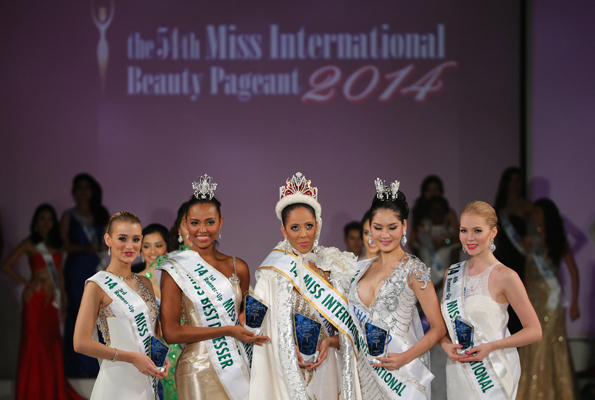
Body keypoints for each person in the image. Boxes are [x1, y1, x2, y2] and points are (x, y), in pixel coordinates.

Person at [250, 172, 360, 400]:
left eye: (309, 226)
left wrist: (330, 342)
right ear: (283, 230)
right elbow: (262, 332)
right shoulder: (273, 273)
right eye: (294, 228)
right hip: (287, 367)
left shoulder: (334, 266)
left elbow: (351, 328)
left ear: (317, 226)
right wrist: (288, 350)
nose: (303, 235)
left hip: (328, 366)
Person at [160, 175, 267, 400]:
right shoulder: (175, 269)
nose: (202, 229)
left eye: (210, 222)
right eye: (195, 222)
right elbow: (171, 332)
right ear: (185, 223)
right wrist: (227, 330)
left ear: (220, 222)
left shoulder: (238, 267)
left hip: (237, 366)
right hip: (196, 370)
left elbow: (243, 319)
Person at [347, 178, 446, 399]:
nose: (385, 235)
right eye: (378, 228)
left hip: (401, 374)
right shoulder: (360, 269)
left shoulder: (414, 270)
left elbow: (438, 327)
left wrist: (405, 357)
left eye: (392, 227)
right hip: (363, 373)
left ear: (404, 226)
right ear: (370, 227)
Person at [440, 201, 542, 399]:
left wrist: (492, 346)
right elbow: (442, 328)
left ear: (493, 232)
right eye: (464, 230)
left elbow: (534, 331)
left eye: (477, 230)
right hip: (458, 370)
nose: (469, 238)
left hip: (493, 371)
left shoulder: (506, 276)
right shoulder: (451, 274)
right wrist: (445, 345)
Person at [73, 211, 169, 399]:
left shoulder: (145, 283)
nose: (130, 246)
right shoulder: (97, 285)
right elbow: (80, 343)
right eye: (122, 238)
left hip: (146, 380)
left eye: (136, 239)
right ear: (108, 239)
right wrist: (132, 358)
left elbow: (153, 333)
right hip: (117, 382)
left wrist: (160, 355)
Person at [2, 204, 84, 400]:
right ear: (36, 222)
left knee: (50, 346)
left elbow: (60, 275)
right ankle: (30, 393)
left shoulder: (57, 245)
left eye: (49, 219)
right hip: (35, 300)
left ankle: (50, 392)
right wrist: (28, 282)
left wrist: (63, 301)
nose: (46, 223)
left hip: (52, 303)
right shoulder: (29, 243)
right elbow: (6, 265)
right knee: (32, 345)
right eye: (42, 219)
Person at [517, 198, 580, 399]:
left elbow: (574, 273)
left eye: (538, 213)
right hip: (533, 300)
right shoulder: (529, 240)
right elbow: (527, 273)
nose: (534, 217)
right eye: (534, 213)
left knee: (550, 343)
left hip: (552, 301)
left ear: (547, 216)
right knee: (532, 343)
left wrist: (575, 303)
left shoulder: (557, 240)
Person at [61, 173, 110, 377]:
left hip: (97, 268)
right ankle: (77, 367)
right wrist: (85, 248)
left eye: (86, 187)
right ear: (74, 192)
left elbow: (110, 240)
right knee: (78, 313)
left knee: (98, 314)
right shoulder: (69, 215)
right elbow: (62, 244)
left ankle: (97, 365)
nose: (83, 191)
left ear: (92, 191)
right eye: (79, 187)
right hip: (77, 269)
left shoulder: (101, 214)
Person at [493, 167, 533, 335]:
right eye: (511, 180)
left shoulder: (528, 208)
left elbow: (535, 233)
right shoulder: (497, 209)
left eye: (518, 181)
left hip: (520, 260)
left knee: (517, 305)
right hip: (501, 259)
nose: (514, 184)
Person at [132, 223, 169, 300]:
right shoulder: (133, 281)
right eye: (146, 246)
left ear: (167, 247)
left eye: (158, 246)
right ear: (141, 249)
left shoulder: (175, 277)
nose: (152, 251)